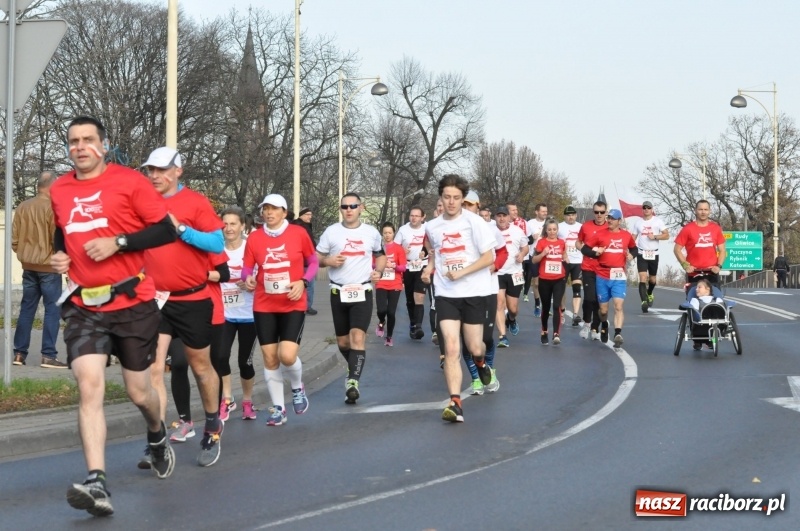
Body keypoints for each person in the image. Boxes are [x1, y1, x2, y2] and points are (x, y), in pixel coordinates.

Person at [50, 116, 176, 516]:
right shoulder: (59, 189)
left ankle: (157, 434)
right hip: (84, 304)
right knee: (89, 386)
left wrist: (120, 242)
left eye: (88, 140)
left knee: (140, 392)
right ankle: (97, 482)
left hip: (133, 302)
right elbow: (62, 231)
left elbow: (165, 231)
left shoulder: (130, 183)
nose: (80, 147)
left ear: (103, 145)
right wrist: (60, 255)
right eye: (73, 141)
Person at [142, 146, 225, 468]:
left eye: (161, 170)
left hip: (192, 299)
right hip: (156, 300)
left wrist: (181, 230)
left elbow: (217, 244)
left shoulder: (196, 203)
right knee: (152, 369)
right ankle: (158, 440)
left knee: (201, 368)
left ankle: (212, 426)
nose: (155, 176)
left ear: (178, 170)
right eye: (151, 170)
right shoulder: (144, 204)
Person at [422, 175, 495, 423]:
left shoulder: (474, 222)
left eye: (456, 198)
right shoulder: (431, 227)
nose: (451, 202)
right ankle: (455, 403)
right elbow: (437, 254)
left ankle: (482, 364)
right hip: (446, 294)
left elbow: (489, 258)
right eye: (447, 197)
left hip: (473, 292)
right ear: (440, 198)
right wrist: (429, 267)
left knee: (475, 347)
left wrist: (462, 272)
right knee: (451, 347)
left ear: (463, 199)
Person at [244, 194, 316, 425]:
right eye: (265, 208)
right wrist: (248, 279)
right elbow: (247, 268)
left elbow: (313, 262)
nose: (269, 212)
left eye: (274, 208)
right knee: (269, 357)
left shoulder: (298, 233)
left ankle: (297, 387)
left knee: (286, 356)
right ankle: (278, 409)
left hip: (293, 302)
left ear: (284, 212)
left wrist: (303, 281)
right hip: (264, 303)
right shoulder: (254, 238)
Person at [317, 193, 385, 404]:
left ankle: (353, 381)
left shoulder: (371, 232)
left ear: (361, 208)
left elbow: (381, 255)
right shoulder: (331, 232)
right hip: (338, 292)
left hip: (362, 291)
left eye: (353, 206)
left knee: (357, 337)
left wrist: (379, 271)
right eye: (344, 206)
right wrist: (327, 260)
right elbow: (316, 259)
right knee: (343, 342)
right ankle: (353, 365)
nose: (348, 210)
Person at [11, 172, 66, 368]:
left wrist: (23, 254)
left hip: (28, 266)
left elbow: (14, 239)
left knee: (27, 309)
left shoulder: (22, 207)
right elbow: (57, 239)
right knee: (52, 309)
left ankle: (19, 354)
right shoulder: (53, 208)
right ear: (52, 187)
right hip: (49, 266)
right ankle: (48, 355)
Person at [461, 193, 506, 394]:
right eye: (464, 204)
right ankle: (476, 378)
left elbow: (503, 252)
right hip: (462, 291)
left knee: (485, 337)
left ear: (478, 207)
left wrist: (494, 266)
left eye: (470, 205)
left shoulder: (489, 228)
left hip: (487, 289)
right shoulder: (451, 229)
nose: (466, 207)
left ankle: (489, 369)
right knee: (467, 339)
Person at [218, 206, 258, 421]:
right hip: (224, 314)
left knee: (245, 362)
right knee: (221, 356)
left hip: (249, 315)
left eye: (233, 223)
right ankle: (227, 399)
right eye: (225, 224)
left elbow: (264, 275)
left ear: (243, 226)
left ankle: (248, 401)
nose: (228, 228)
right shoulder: (216, 249)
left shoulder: (250, 249)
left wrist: (253, 282)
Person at [582, 209, 637, 347]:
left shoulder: (626, 235)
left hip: (618, 275)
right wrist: (595, 252)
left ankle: (618, 333)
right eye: (609, 218)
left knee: (618, 306)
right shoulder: (600, 234)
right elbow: (584, 249)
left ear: (619, 221)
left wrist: (632, 255)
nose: (610, 220)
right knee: (603, 311)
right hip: (602, 274)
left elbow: (634, 248)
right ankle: (605, 323)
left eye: (613, 218)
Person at [494, 205, 529, 348]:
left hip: (515, 272)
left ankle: (512, 319)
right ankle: (502, 336)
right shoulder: (490, 231)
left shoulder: (517, 231)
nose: (501, 218)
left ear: (509, 217)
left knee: (513, 308)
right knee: (499, 304)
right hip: (497, 273)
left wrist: (521, 254)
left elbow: (525, 247)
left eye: (504, 216)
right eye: (499, 216)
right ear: (495, 217)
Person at [673, 199, 726, 286]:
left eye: (706, 209)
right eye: (700, 209)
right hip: (693, 273)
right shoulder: (688, 228)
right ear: (695, 211)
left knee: (715, 299)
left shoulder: (716, 228)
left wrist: (718, 266)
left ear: (709, 211)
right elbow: (677, 249)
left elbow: (722, 250)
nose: (703, 212)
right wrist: (685, 265)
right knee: (694, 299)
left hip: (712, 273)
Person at [532, 218, 568, 344]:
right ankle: (544, 330)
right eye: (549, 230)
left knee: (557, 305)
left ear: (557, 230)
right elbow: (534, 260)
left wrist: (566, 259)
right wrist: (543, 254)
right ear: (546, 230)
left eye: (554, 229)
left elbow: (564, 256)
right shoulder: (541, 242)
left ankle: (556, 334)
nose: (552, 232)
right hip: (545, 279)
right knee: (546, 307)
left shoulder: (562, 242)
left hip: (559, 279)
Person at [394, 206, 428, 341]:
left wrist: (424, 251)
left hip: (422, 265)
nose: (413, 218)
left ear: (423, 217)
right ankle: (413, 323)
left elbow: (432, 244)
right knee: (409, 298)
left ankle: (419, 327)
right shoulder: (403, 230)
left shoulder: (427, 229)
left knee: (419, 296)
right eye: (412, 215)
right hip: (408, 266)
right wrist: (402, 251)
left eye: (417, 216)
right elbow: (395, 249)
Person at [577, 201, 609, 340]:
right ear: (593, 212)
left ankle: (595, 327)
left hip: (604, 269)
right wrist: (583, 249)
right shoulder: (586, 226)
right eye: (596, 212)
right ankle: (587, 323)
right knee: (589, 298)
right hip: (588, 267)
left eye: (602, 212)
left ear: (606, 212)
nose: (599, 215)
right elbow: (578, 242)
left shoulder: (610, 226)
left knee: (598, 299)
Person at [630, 201, 669, 313]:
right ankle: (644, 302)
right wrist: (628, 249)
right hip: (642, 253)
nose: (646, 209)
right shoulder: (638, 223)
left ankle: (650, 293)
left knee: (652, 279)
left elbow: (667, 235)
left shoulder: (657, 221)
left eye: (648, 208)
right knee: (642, 278)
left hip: (654, 254)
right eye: (644, 208)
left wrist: (655, 237)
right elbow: (632, 238)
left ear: (652, 209)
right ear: (642, 209)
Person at [375, 222, 407, 347]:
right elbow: (372, 264)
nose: (387, 235)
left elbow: (404, 267)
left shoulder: (399, 248)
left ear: (394, 233)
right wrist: (382, 265)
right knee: (381, 309)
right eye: (385, 233)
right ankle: (381, 322)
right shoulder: (378, 248)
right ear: (382, 234)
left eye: (390, 233)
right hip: (381, 282)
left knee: (391, 312)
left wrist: (394, 266)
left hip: (395, 283)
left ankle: (389, 337)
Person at [557, 205, 583, 327]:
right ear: (565, 216)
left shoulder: (581, 227)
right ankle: (562, 311)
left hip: (578, 261)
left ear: (576, 215)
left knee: (577, 287)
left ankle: (575, 314)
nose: (570, 217)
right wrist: (562, 253)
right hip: (564, 261)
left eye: (572, 215)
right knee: (561, 289)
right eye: (568, 215)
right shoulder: (560, 227)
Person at [688, 278, 725, 350]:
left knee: (717, 307)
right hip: (700, 324)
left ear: (707, 289)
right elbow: (694, 313)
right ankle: (700, 341)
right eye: (696, 288)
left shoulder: (717, 299)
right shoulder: (695, 300)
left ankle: (712, 340)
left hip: (717, 322)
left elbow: (723, 312)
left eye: (699, 287)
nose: (696, 289)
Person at [293, 207, 319, 315]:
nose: (310, 217)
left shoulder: (301, 226)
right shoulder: (301, 227)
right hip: (304, 260)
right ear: (301, 215)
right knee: (309, 285)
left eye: (310, 214)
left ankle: (302, 306)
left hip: (301, 260)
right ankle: (307, 306)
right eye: (308, 214)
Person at [526, 203, 548, 312]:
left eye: (546, 211)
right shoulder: (530, 223)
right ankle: (537, 303)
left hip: (547, 256)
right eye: (543, 211)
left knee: (546, 282)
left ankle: (546, 305)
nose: (545, 213)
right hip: (534, 255)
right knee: (536, 282)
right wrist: (531, 238)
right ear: (536, 212)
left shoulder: (549, 223)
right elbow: (525, 239)